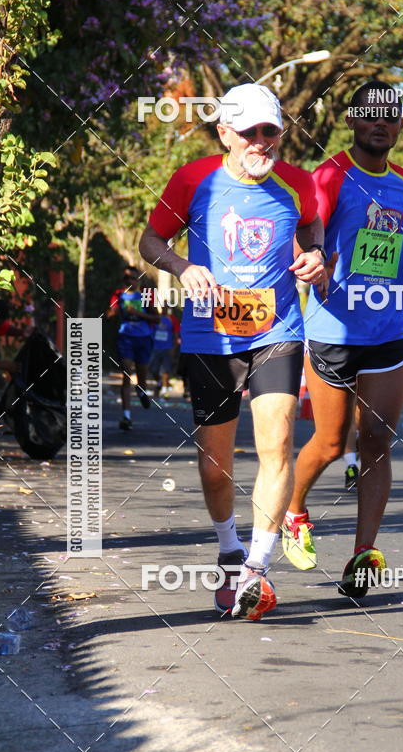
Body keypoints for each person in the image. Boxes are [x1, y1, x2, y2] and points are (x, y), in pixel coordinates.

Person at [139, 82, 325, 621]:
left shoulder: (298, 183)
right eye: (250, 132)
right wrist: (182, 267)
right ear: (225, 133)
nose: (262, 142)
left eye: (271, 131)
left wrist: (315, 257)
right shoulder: (193, 179)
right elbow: (150, 241)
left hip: (278, 329)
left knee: (279, 442)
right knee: (215, 465)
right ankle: (229, 551)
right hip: (210, 336)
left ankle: (258, 570)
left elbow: (312, 230)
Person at [282, 79, 403, 596]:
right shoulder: (329, 175)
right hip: (332, 331)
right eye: (371, 115)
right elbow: (309, 228)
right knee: (328, 444)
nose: (381, 122)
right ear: (352, 120)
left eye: (390, 116)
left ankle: (363, 555)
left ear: (400, 125)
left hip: (388, 330)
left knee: (377, 443)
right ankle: (295, 510)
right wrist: (316, 255)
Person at [106, 266, 159, 430]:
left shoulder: (144, 295)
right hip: (125, 338)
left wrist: (138, 313)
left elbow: (156, 318)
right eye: (126, 279)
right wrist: (112, 312)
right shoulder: (118, 295)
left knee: (142, 376)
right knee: (126, 374)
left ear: (138, 280)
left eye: (133, 278)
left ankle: (142, 390)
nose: (129, 281)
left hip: (143, 338)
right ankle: (126, 417)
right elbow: (109, 314)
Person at [149, 302, 180, 398]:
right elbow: (150, 332)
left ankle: (165, 391)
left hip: (167, 348)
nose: (164, 309)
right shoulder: (156, 318)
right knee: (153, 370)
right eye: (163, 307)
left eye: (166, 307)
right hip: (155, 348)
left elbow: (176, 335)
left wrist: (173, 348)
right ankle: (159, 382)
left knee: (165, 370)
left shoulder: (172, 319)